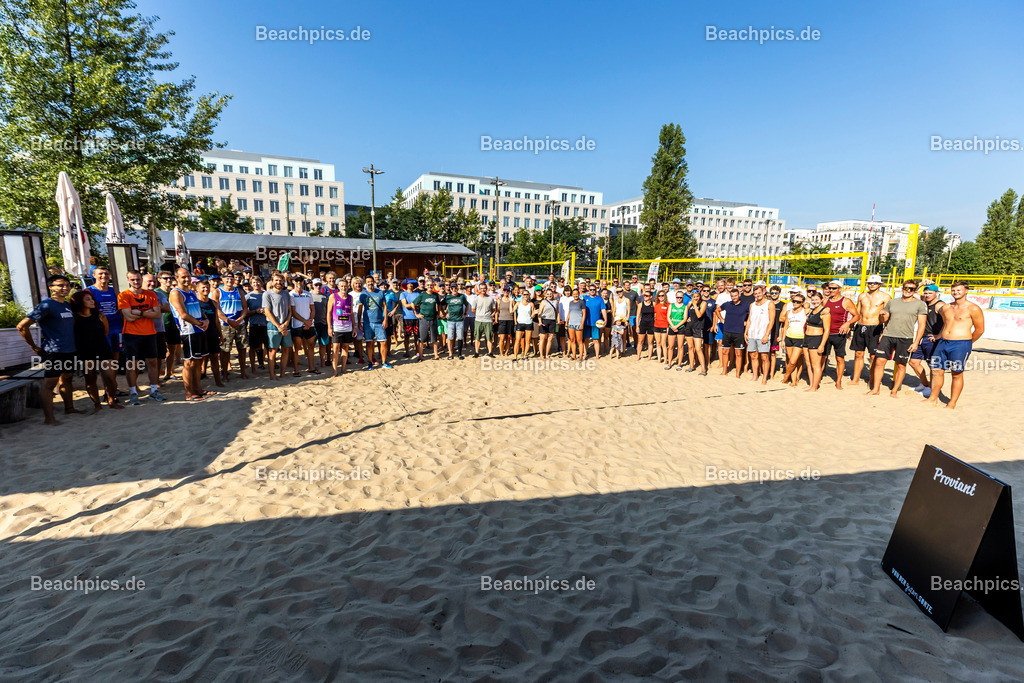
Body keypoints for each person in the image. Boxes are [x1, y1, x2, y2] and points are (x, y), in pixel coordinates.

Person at [17, 275, 78, 424]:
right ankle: (49, 418)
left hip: (69, 349)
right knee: (50, 384)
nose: (65, 288)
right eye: (61, 285)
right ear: (51, 287)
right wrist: (33, 346)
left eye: (67, 285)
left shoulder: (66, 305)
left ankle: (69, 408)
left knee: (68, 379)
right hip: (54, 351)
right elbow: (22, 326)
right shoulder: (46, 305)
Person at [926, 281, 985, 409]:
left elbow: (980, 330)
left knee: (956, 373)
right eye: (953, 290)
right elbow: (946, 324)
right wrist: (938, 336)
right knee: (936, 370)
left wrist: (967, 342)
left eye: (959, 290)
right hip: (943, 342)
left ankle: (952, 402)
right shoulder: (946, 307)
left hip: (960, 344)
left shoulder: (973, 308)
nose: (956, 292)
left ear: (966, 291)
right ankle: (933, 398)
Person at [869, 279, 928, 398]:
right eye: (906, 288)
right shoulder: (892, 302)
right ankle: (875, 389)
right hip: (888, 335)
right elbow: (884, 321)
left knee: (901, 365)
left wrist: (916, 342)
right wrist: (882, 318)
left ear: (915, 290)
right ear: (902, 288)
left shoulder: (920, 304)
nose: (908, 291)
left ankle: (894, 391)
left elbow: (922, 325)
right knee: (879, 362)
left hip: (905, 337)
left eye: (911, 289)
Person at [69, 289, 123, 412]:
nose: (92, 301)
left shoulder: (100, 315)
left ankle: (111, 400)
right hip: (84, 351)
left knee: (111, 378)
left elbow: (106, 332)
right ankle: (96, 403)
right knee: (90, 378)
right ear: (79, 302)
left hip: (102, 348)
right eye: (87, 299)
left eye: (92, 299)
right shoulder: (74, 318)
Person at [118, 269, 164, 405]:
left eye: (138, 279)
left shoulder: (151, 295)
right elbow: (128, 317)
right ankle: (133, 392)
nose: (136, 282)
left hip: (150, 333)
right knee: (132, 365)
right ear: (128, 280)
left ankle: (154, 390)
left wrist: (139, 312)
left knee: (153, 363)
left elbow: (157, 314)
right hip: (131, 334)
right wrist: (147, 312)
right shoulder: (124, 295)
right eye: (133, 279)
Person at [168, 268, 211, 401]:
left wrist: (206, 320)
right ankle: (189, 393)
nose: (186, 279)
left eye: (188, 276)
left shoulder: (191, 292)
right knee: (189, 362)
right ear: (177, 278)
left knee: (198, 361)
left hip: (198, 329)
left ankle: (198, 389)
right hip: (188, 331)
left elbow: (198, 309)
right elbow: (183, 315)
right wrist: (200, 323)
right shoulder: (176, 293)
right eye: (183, 277)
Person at [87, 266, 123, 398]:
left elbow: (120, 309)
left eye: (106, 273)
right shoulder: (89, 291)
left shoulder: (114, 291)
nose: (104, 276)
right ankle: (108, 390)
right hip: (101, 330)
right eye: (100, 273)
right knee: (104, 361)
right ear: (94, 275)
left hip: (117, 328)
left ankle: (114, 388)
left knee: (115, 359)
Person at [850, 274, 891, 386]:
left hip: (875, 327)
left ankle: (871, 380)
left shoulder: (885, 297)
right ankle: (855, 379)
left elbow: (888, 316)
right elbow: (858, 311)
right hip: (861, 325)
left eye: (874, 283)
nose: (872, 285)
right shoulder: (862, 296)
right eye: (870, 283)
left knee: (873, 356)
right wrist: (851, 325)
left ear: (879, 284)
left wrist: (884, 331)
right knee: (858, 353)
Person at [820, 280, 859, 389]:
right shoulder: (825, 301)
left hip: (839, 334)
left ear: (839, 289)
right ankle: (818, 378)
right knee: (823, 357)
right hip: (826, 333)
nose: (831, 290)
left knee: (839, 358)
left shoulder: (846, 301)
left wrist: (847, 324)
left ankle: (838, 381)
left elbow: (856, 316)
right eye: (829, 288)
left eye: (834, 288)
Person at [908, 284, 945, 398]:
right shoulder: (925, 301)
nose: (927, 295)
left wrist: (939, 335)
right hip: (922, 337)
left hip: (932, 339)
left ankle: (932, 389)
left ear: (936, 293)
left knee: (932, 365)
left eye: (930, 293)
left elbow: (949, 321)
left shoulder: (940, 305)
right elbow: (912, 292)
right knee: (913, 362)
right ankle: (925, 384)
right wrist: (922, 283)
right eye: (926, 293)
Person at [213, 271, 250, 381]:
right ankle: (224, 373)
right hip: (225, 325)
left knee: (242, 349)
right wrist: (228, 320)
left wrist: (239, 320)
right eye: (227, 278)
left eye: (231, 278)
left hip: (240, 324)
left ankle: (243, 372)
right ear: (222, 279)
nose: (230, 280)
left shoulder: (239, 291)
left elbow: (245, 308)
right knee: (225, 350)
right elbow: (217, 310)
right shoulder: (217, 292)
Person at [262, 272, 293, 381]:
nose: (278, 282)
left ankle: (283, 373)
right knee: (273, 351)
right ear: (272, 281)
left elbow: (290, 311)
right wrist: (278, 326)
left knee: (286, 350)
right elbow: (267, 312)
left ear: (284, 281)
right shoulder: (267, 294)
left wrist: (286, 323)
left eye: (280, 280)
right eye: (276, 280)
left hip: (285, 324)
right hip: (273, 325)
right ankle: (272, 375)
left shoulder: (286, 294)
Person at [744, 284, 776, 385]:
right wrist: (746, 332)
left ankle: (764, 378)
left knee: (764, 357)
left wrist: (766, 334)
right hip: (752, 334)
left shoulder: (769, 304)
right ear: (754, 294)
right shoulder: (752, 305)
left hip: (763, 334)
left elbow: (772, 320)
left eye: (759, 293)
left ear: (763, 292)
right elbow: (749, 319)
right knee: (753, 356)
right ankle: (755, 376)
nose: (758, 295)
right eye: (756, 293)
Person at [195, 279, 225, 386]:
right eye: (203, 287)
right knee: (199, 359)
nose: (205, 289)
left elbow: (217, 320)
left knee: (214, 358)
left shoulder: (213, 303)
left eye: (207, 287)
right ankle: (198, 383)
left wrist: (220, 335)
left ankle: (218, 381)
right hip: (200, 334)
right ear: (197, 289)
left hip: (212, 333)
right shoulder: (195, 302)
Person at [142, 273, 171, 382]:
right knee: (142, 359)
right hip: (142, 330)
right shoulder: (138, 295)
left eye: (154, 281)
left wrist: (151, 307)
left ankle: (156, 380)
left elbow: (167, 308)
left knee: (159, 356)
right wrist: (157, 306)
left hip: (158, 329)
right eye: (149, 281)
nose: (152, 283)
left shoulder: (160, 294)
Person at [716, 288, 750, 378]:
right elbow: (717, 310)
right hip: (727, 331)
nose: (734, 297)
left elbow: (752, 314)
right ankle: (724, 371)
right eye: (732, 296)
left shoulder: (745, 305)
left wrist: (747, 322)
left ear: (739, 295)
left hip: (739, 332)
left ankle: (737, 374)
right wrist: (722, 319)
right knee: (725, 352)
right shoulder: (727, 304)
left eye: (735, 295)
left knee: (738, 354)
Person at [289, 277, 318, 374]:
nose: (298, 282)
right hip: (297, 324)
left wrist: (310, 321)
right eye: (296, 281)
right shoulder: (291, 294)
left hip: (309, 324)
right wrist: (305, 322)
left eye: (300, 281)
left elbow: (313, 309)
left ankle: (312, 367)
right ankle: (296, 370)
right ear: (293, 282)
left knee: (311, 346)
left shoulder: (308, 294)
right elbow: (293, 312)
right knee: (297, 348)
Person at [803, 291, 831, 392]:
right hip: (807, 338)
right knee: (808, 363)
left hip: (816, 338)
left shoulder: (825, 312)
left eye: (817, 300)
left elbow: (827, 330)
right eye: (813, 299)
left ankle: (815, 386)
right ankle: (811, 384)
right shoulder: (811, 311)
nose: (814, 301)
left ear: (822, 300)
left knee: (816, 364)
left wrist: (822, 344)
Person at [779, 292, 808, 387]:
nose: (795, 303)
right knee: (790, 360)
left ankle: (786, 376)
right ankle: (794, 380)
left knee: (793, 361)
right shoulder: (789, 312)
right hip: (789, 337)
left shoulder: (806, 311)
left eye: (797, 302)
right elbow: (785, 325)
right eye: (793, 301)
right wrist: (783, 339)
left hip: (800, 338)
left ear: (802, 302)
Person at [157, 271, 181, 382]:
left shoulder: (174, 292)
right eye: (165, 278)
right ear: (159, 279)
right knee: (161, 352)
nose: (168, 280)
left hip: (173, 324)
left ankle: (168, 372)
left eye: (170, 278)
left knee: (172, 349)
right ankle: (156, 376)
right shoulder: (156, 292)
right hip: (161, 325)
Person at [328, 279, 355, 377]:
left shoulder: (350, 297)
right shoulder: (333, 296)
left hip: (347, 327)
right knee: (335, 349)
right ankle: (335, 371)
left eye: (345, 286)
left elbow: (351, 312)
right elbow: (329, 312)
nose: (344, 288)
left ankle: (343, 368)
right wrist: (329, 327)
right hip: (336, 326)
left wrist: (354, 327)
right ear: (338, 287)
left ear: (348, 287)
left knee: (345, 348)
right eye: (341, 286)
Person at [413, 282, 442, 361]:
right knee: (422, 339)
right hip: (424, 319)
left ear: (433, 286)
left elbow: (439, 304)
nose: (430, 286)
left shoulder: (435, 295)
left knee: (434, 338)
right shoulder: (422, 295)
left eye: (431, 285)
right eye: (428, 285)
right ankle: (420, 356)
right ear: (426, 286)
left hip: (433, 319)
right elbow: (413, 304)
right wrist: (416, 314)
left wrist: (438, 313)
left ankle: (436, 355)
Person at [245, 276, 268, 373]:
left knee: (267, 346)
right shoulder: (248, 296)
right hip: (254, 324)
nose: (256, 284)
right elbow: (245, 312)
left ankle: (263, 363)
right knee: (253, 347)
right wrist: (256, 311)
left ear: (261, 283)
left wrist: (266, 311)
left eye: (258, 282)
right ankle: (253, 366)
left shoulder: (266, 294)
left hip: (266, 324)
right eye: (254, 282)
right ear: (251, 284)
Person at [443, 281, 470, 360]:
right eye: (452, 288)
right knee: (450, 337)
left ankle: (459, 354)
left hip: (459, 320)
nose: (454, 289)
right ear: (450, 289)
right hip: (450, 320)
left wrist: (465, 313)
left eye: (455, 288)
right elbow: (441, 304)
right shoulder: (448, 297)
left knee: (460, 337)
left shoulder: (461, 296)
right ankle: (450, 354)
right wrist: (444, 313)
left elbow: (467, 305)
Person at [685, 287, 708, 374]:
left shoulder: (703, 303)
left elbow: (699, 315)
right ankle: (691, 366)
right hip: (689, 326)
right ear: (692, 296)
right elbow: (686, 311)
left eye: (697, 296)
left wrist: (694, 305)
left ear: (700, 296)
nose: (696, 298)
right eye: (694, 296)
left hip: (698, 327)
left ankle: (703, 369)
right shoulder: (689, 303)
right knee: (690, 348)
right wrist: (687, 318)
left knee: (698, 349)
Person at [582, 283, 607, 359]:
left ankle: (597, 355)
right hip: (586, 322)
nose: (592, 291)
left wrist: (605, 319)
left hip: (596, 323)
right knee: (586, 339)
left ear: (596, 290)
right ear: (588, 290)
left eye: (594, 290)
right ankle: (585, 354)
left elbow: (603, 310)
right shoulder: (585, 299)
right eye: (591, 290)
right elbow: (582, 311)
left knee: (596, 340)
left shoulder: (599, 299)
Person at [472, 283, 497, 357]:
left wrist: (488, 315)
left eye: (484, 288)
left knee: (489, 337)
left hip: (488, 320)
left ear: (487, 289)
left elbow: (493, 309)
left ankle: (490, 352)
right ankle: (477, 352)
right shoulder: (476, 299)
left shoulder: (490, 299)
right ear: (479, 289)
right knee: (477, 337)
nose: (483, 290)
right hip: (478, 320)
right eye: (481, 288)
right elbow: (473, 309)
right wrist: (479, 314)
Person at [311, 279, 331, 367]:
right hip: (312, 324)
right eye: (316, 285)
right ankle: (311, 363)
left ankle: (322, 362)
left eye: (319, 285)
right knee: (311, 345)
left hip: (323, 323)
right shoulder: (309, 295)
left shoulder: (325, 297)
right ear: (312, 285)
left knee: (323, 344)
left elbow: (328, 311)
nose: (318, 286)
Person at [666, 290, 687, 370]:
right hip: (672, 327)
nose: (679, 298)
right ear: (675, 297)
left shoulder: (684, 306)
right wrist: (673, 326)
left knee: (680, 346)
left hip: (681, 328)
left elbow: (684, 319)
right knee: (670, 346)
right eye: (677, 297)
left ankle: (679, 364)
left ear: (682, 297)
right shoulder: (671, 305)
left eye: (680, 297)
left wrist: (677, 326)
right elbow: (668, 316)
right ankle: (669, 363)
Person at [767, 285, 785, 380]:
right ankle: (763, 371)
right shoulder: (767, 303)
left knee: (773, 353)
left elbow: (783, 323)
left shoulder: (782, 305)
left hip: (776, 331)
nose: (774, 295)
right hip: (766, 331)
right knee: (764, 353)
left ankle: (772, 373)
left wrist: (781, 335)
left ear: (779, 293)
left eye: (776, 293)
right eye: (772, 293)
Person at [399, 280, 420, 358]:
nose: (410, 285)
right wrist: (414, 305)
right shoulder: (403, 294)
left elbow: (420, 304)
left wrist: (412, 305)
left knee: (416, 335)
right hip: (407, 317)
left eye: (412, 284)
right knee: (407, 336)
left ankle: (417, 351)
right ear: (406, 285)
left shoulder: (417, 294)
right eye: (409, 284)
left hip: (416, 317)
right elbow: (405, 305)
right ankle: (407, 351)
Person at [513, 287, 535, 360]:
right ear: (522, 295)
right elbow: (512, 311)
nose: (525, 296)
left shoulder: (531, 304)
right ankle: (515, 356)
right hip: (520, 322)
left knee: (528, 340)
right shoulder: (518, 303)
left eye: (527, 294)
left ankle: (525, 355)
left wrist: (535, 313)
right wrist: (511, 302)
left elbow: (532, 315)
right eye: (524, 294)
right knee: (517, 340)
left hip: (528, 323)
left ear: (529, 295)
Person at [538, 287, 560, 360]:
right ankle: (541, 355)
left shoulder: (556, 301)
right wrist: (540, 321)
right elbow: (539, 313)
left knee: (550, 339)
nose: (549, 295)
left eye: (551, 294)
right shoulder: (543, 302)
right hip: (544, 320)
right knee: (542, 338)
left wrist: (558, 321)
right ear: (545, 295)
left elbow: (557, 312)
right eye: (548, 294)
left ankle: (547, 354)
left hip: (552, 320)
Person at [565, 287, 586, 360]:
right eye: (574, 294)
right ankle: (573, 355)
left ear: (579, 294)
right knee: (572, 340)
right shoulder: (571, 302)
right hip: (571, 323)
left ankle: (580, 356)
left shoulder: (582, 302)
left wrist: (582, 324)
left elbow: (584, 314)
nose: (575, 295)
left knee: (579, 341)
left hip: (578, 323)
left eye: (576, 294)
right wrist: (567, 322)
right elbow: (569, 313)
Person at [497, 287, 515, 356]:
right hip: (502, 320)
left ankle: (506, 352)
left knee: (508, 337)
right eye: (505, 290)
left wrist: (511, 301)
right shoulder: (499, 300)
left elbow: (513, 310)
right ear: (503, 291)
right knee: (502, 338)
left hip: (510, 319)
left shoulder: (511, 300)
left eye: (508, 291)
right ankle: (501, 352)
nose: (506, 292)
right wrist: (496, 319)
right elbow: (497, 311)